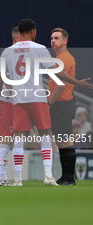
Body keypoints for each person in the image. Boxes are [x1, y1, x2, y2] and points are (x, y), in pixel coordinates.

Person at [0, 19, 93, 186]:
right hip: (38, 97)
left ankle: (18, 179)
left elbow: (1, 77)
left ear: (19, 33)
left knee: (19, 136)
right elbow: (57, 72)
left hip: (19, 98)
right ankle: (48, 176)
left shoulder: (8, 51)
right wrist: (77, 83)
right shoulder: (40, 49)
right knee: (46, 134)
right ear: (33, 31)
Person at [48, 28, 77, 186]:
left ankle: (69, 178)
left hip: (62, 103)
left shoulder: (64, 57)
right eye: (52, 38)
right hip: (61, 104)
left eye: (57, 38)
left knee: (65, 142)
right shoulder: (59, 58)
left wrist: (49, 103)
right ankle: (64, 177)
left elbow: (60, 85)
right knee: (61, 142)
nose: (53, 40)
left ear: (65, 41)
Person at [0, 26, 20, 186]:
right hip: (10, 101)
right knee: (6, 140)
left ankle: (6, 177)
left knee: (12, 139)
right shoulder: (9, 53)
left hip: (11, 100)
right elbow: (4, 78)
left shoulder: (11, 53)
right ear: (17, 38)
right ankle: (0, 178)